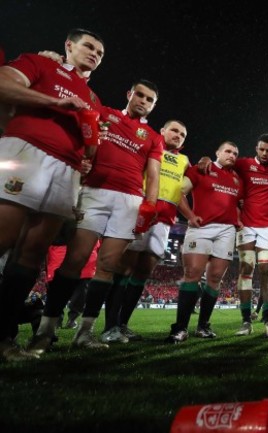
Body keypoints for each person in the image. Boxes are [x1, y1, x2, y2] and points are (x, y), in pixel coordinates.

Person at [28, 78, 162, 353]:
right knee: (75, 259)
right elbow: (85, 137)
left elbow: (153, 174)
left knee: (108, 265)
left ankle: (85, 332)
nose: (143, 102)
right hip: (94, 192)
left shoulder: (153, 138)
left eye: (150, 100)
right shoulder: (106, 114)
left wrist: (149, 206)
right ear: (129, 94)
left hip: (129, 200)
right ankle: (46, 330)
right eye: (140, 95)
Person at [0, 28, 105, 361]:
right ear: (68, 45)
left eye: (100, 54)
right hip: (25, 153)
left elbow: (90, 143)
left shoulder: (94, 99)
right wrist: (54, 101)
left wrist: (90, 151)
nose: (94, 54)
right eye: (89, 47)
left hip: (67, 170)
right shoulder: (40, 64)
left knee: (31, 253)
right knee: (3, 237)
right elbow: (3, 84)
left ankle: (4, 339)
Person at [101, 119, 190, 343]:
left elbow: (187, 186)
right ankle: (109, 326)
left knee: (144, 270)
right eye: (174, 130)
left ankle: (123, 324)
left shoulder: (184, 161)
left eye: (182, 134)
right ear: (162, 131)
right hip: (141, 211)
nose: (178, 135)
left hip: (166, 220)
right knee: (125, 267)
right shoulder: (150, 147)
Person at [165, 141, 243, 343]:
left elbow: (235, 204)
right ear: (217, 152)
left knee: (215, 277)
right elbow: (179, 192)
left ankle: (203, 326)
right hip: (201, 227)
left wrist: (239, 219)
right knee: (192, 274)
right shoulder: (201, 169)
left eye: (235, 153)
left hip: (226, 230)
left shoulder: (237, 179)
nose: (231, 155)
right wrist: (190, 216)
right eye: (227, 151)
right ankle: (180, 328)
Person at [226, 134, 268, 338]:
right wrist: (208, 161)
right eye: (261, 149)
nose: (264, 153)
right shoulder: (243, 164)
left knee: (266, 270)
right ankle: (246, 321)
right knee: (246, 268)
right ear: (256, 148)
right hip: (247, 226)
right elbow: (223, 166)